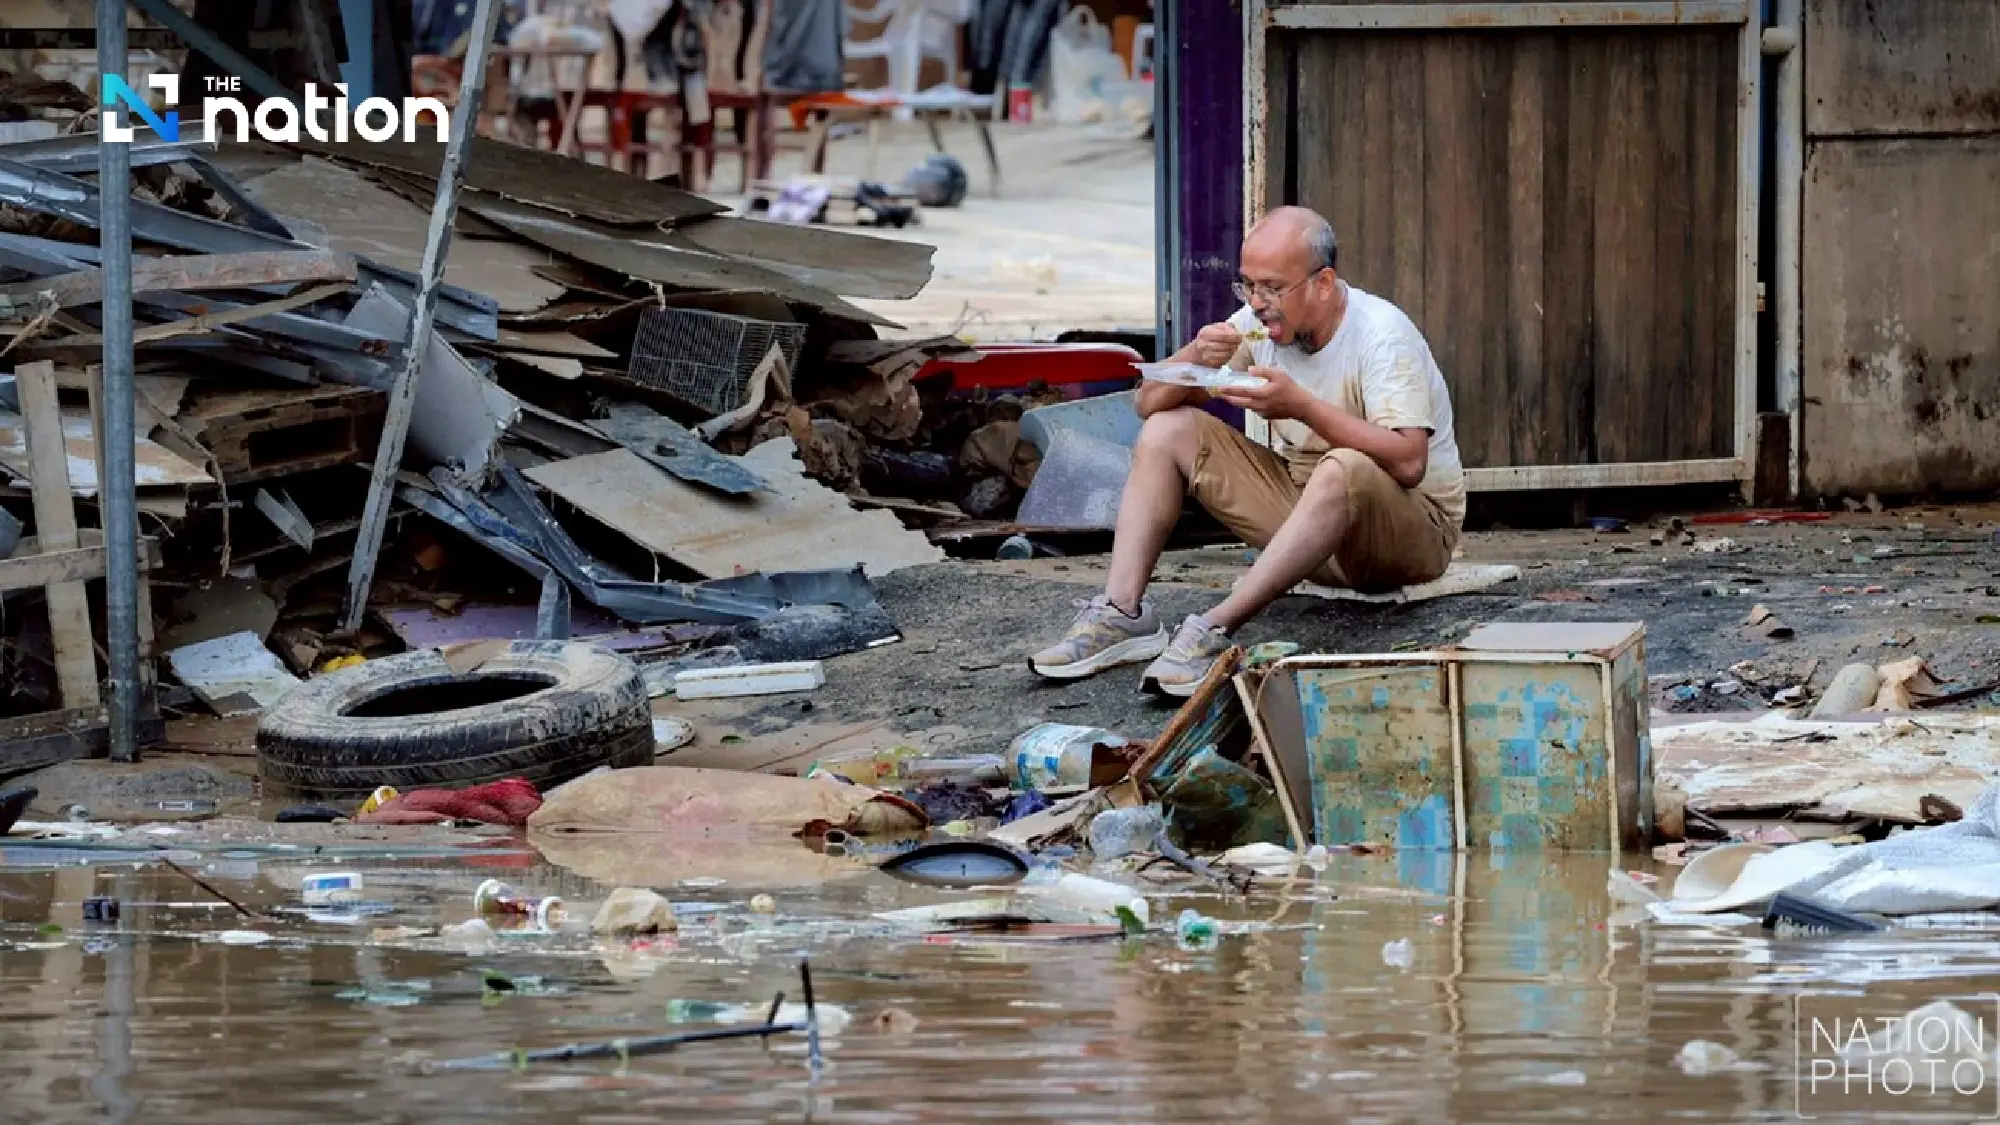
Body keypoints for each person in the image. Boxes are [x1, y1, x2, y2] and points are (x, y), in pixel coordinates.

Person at [1029, 206, 1466, 696]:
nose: (1259, 303)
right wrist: (1198, 353)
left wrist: (1301, 407)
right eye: (1248, 286)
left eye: (1273, 288)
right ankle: (1122, 612)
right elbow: (1148, 403)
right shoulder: (1257, 322)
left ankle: (1214, 628)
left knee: (1342, 466)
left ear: (1323, 283)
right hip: (1312, 526)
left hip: (1409, 536)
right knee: (1170, 428)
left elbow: (1409, 461)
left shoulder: (1381, 335)